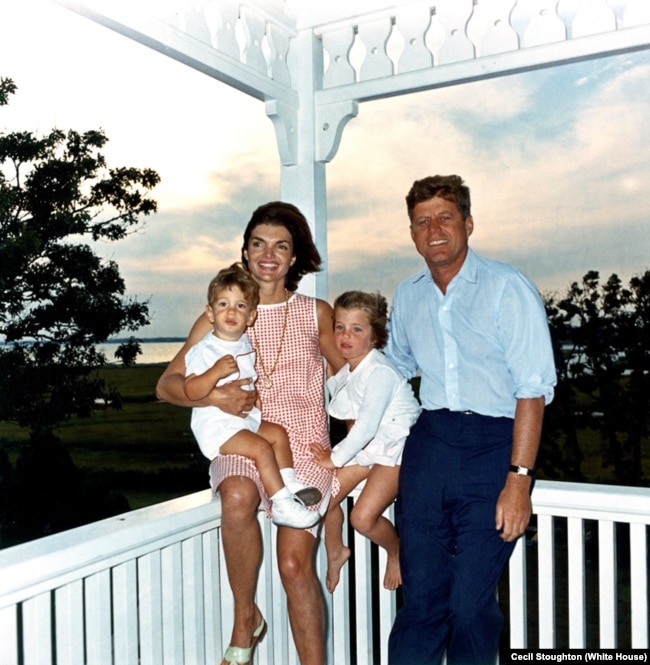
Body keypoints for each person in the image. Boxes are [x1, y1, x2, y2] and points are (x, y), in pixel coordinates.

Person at [156, 202, 343, 665]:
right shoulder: (223, 312)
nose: (268, 254)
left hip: (302, 445)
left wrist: (363, 450)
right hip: (243, 434)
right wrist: (214, 399)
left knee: (295, 567)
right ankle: (245, 619)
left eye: (281, 245)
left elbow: (354, 381)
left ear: (295, 257)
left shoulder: (317, 312)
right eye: (258, 243)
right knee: (237, 495)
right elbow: (166, 386)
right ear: (244, 250)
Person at [385, 175, 557, 665]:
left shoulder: (507, 287)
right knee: (419, 600)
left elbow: (533, 389)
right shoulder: (409, 293)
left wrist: (519, 481)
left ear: (468, 223)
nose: (433, 229)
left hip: (492, 449)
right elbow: (393, 372)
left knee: (469, 604)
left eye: (445, 217)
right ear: (413, 233)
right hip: (429, 447)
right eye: (422, 221)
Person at [184, 262, 321, 529]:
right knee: (261, 448)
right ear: (209, 313)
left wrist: (253, 394)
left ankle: (289, 483)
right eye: (223, 305)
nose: (231, 312)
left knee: (277, 434)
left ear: (251, 316)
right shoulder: (206, 349)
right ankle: (282, 505)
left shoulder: (243, 342)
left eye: (240, 306)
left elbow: (244, 378)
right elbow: (191, 391)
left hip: (242, 420)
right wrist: (213, 373)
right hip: (218, 428)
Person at [310, 290, 420, 593]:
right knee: (322, 499)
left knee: (361, 518)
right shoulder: (351, 369)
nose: (345, 336)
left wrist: (333, 459)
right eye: (340, 327)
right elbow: (345, 403)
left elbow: (367, 426)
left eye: (357, 329)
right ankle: (337, 551)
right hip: (369, 451)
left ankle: (395, 549)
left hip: (396, 450)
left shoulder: (380, 372)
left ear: (375, 337)